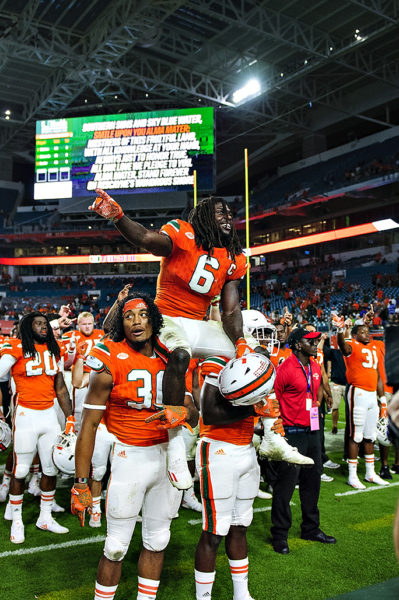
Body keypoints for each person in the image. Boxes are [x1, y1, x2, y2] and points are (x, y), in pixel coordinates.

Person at [90, 189, 308, 487]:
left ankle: (272, 433)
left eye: (230, 214)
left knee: (257, 354)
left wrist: (242, 345)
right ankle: (176, 445)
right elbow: (146, 239)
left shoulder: (233, 257)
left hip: (200, 323)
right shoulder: (183, 233)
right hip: (165, 316)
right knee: (179, 355)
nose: (228, 219)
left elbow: (230, 311)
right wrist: (118, 216)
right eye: (220, 213)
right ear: (205, 216)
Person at [72, 293, 198, 600]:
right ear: (121, 323)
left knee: (157, 541)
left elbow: (193, 411)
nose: (136, 321)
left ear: (154, 319)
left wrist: (183, 412)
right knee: (115, 547)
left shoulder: (174, 355)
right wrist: (81, 483)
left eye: (143, 314)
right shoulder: (109, 356)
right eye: (129, 316)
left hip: (167, 456)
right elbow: (88, 424)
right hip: (129, 457)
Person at [194, 352, 278, 600]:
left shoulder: (252, 359)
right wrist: (254, 408)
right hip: (219, 449)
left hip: (245, 449)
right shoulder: (218, 358)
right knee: (213, 531)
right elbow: (209, 413)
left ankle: (241, 594)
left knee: (240, 525)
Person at [0, 312, 74, 543]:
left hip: (49, 415)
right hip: (26, 415)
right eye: (38, 324)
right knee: (21, 470)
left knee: (50, 469)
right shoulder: (15, 347)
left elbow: (61, 388)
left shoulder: (54, 349)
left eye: (45, 324)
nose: (44, 327)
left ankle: (45, 516)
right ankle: (18, 520)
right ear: (27, 327)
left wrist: (70, 418)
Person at [270, 327, 336, 554]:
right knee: (285, 486)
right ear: (298, 344)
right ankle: (279, 534)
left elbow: (314, 389)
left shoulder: (315, 365)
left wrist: (321, 400)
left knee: (312, 482)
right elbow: (273, 399)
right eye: (310, 341)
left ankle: (311, 528)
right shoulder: (286, 368)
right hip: (291, 433)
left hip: (312, 432)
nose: (315, 344)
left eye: (316, 341)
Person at [333, 317, 389, 488]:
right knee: (356, 435)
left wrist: (382, 399)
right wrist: (340, 331)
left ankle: (370, 473)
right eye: (362, 332)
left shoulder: (373, 347)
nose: (367, 334)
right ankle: (352, 476)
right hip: (358, 392)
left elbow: (378, 376)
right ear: (355, 335)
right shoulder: (352, 346)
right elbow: (343, 345)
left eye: (367, 332)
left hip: (373, 395)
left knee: (370, 436)